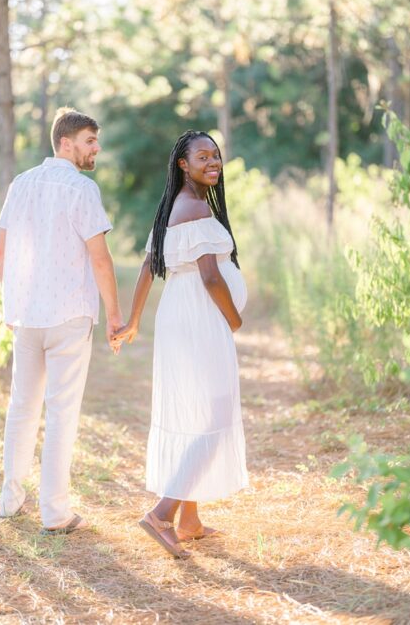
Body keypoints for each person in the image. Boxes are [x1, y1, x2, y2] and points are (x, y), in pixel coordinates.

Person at [112, 130, 247, 559]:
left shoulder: (173, 205)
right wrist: (234, 317)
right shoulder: (193, 208)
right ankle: (162, 513)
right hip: (200, 315)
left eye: (216, 156)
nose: (213, 162)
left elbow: (149, 267)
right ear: (183, 165)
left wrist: (134, 319)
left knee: (195, 410)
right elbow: (210, 276)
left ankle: (189, 520)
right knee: (215, 410)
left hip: (180, 314)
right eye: (202, 156)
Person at [0, 107, 123, 535]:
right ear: (65, 143)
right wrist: (114, 317)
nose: (95, 148)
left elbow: (0, 252)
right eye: (89, 141)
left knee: (22, 407)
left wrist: (10, 303)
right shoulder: (82, 189)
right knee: (61, 411)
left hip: (26, 315)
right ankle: (55, 513)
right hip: (68, 314)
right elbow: (100, 259)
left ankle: (9, 501)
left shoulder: (21, 184)